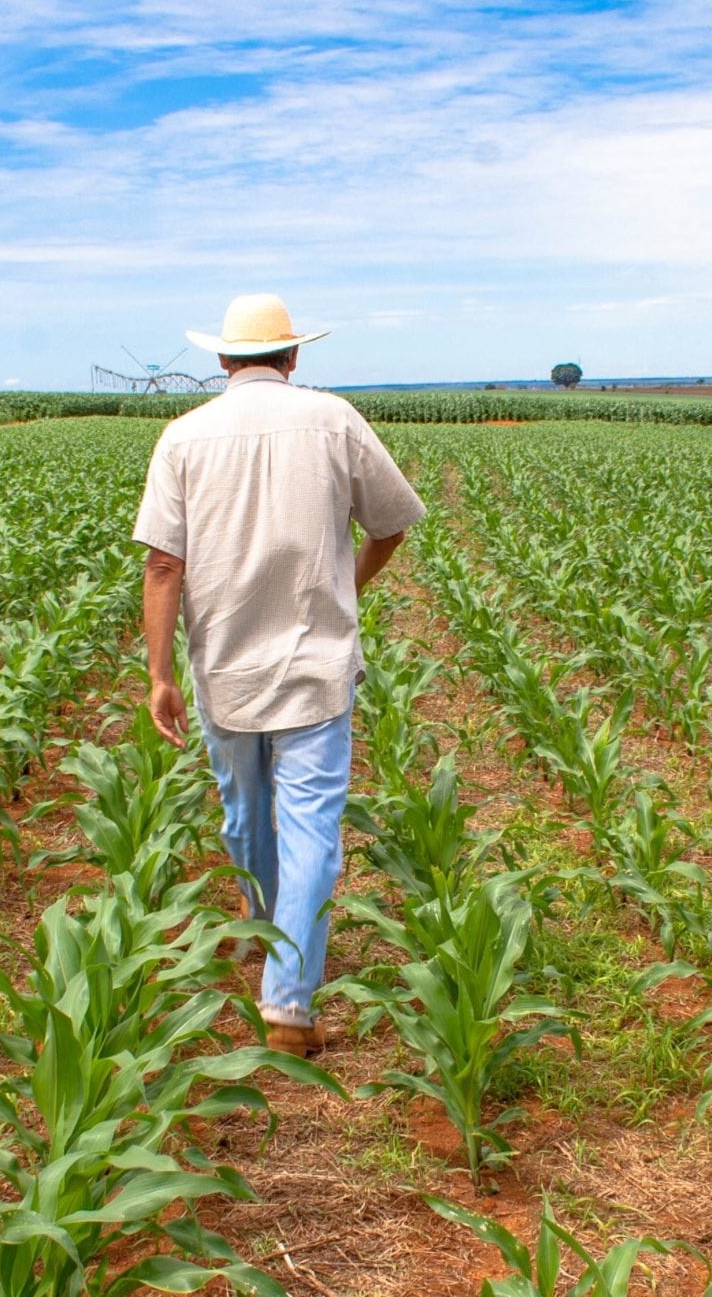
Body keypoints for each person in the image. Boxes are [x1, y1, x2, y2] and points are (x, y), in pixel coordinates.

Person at [131, 293, 426, 1058]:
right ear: (294, 358)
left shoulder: (184, 436)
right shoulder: (334, 420)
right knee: (311, 833)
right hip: (316, 669)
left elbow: (164, 564)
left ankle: (264, 936)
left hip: (224, 667)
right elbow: (391, 524)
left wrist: (159, 675)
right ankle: (288, 1006)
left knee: (244, 813)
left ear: (223, 361)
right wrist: (346, 588)